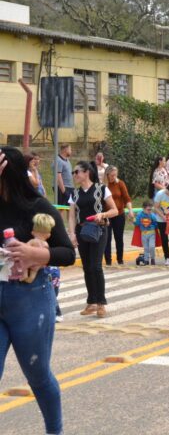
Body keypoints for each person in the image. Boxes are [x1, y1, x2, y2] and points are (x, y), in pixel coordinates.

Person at [0, 147, 76, 435]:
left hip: (30, 300)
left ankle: (54, 431)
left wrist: (36, 256)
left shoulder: (38, 207)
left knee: (38, 375)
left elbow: (68, 253)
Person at [68, 161, 118, 318]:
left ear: (86, 172)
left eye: (76, 172)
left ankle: (101, 303)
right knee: (86, 267)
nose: (74, 175)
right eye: (74, 173)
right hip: (82, 231)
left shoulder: (101, 189)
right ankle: (91, 301)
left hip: (98, 230)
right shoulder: (74, 193)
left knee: (96, 266)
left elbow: (115, 210)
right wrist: (72, 234)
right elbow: (71, 215)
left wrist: (102, 214)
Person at [104, 166, 132, 266]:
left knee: (119, 237)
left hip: (119, 214)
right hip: (107, 215)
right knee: (107, 238)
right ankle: (108, 260)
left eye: (115, 175)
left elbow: (127, 198)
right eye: (112, 175)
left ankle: (120, 259)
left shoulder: (120, 183)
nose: (114, 177)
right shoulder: (103, 185)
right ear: (107, 175)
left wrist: (130, 210)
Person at [134, 200, 158, 266]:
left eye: (150, 209)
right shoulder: (139, 215)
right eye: (148, 210)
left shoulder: (152, 215)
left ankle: (153, 258)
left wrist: (152, 225)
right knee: (146, 248)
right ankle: (146, 260)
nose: (149, 211)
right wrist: (133, 219)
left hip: (151, 233)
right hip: (143, 234)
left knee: (152, 247)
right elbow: (137, 223)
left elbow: (156, 224)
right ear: (143, 209)